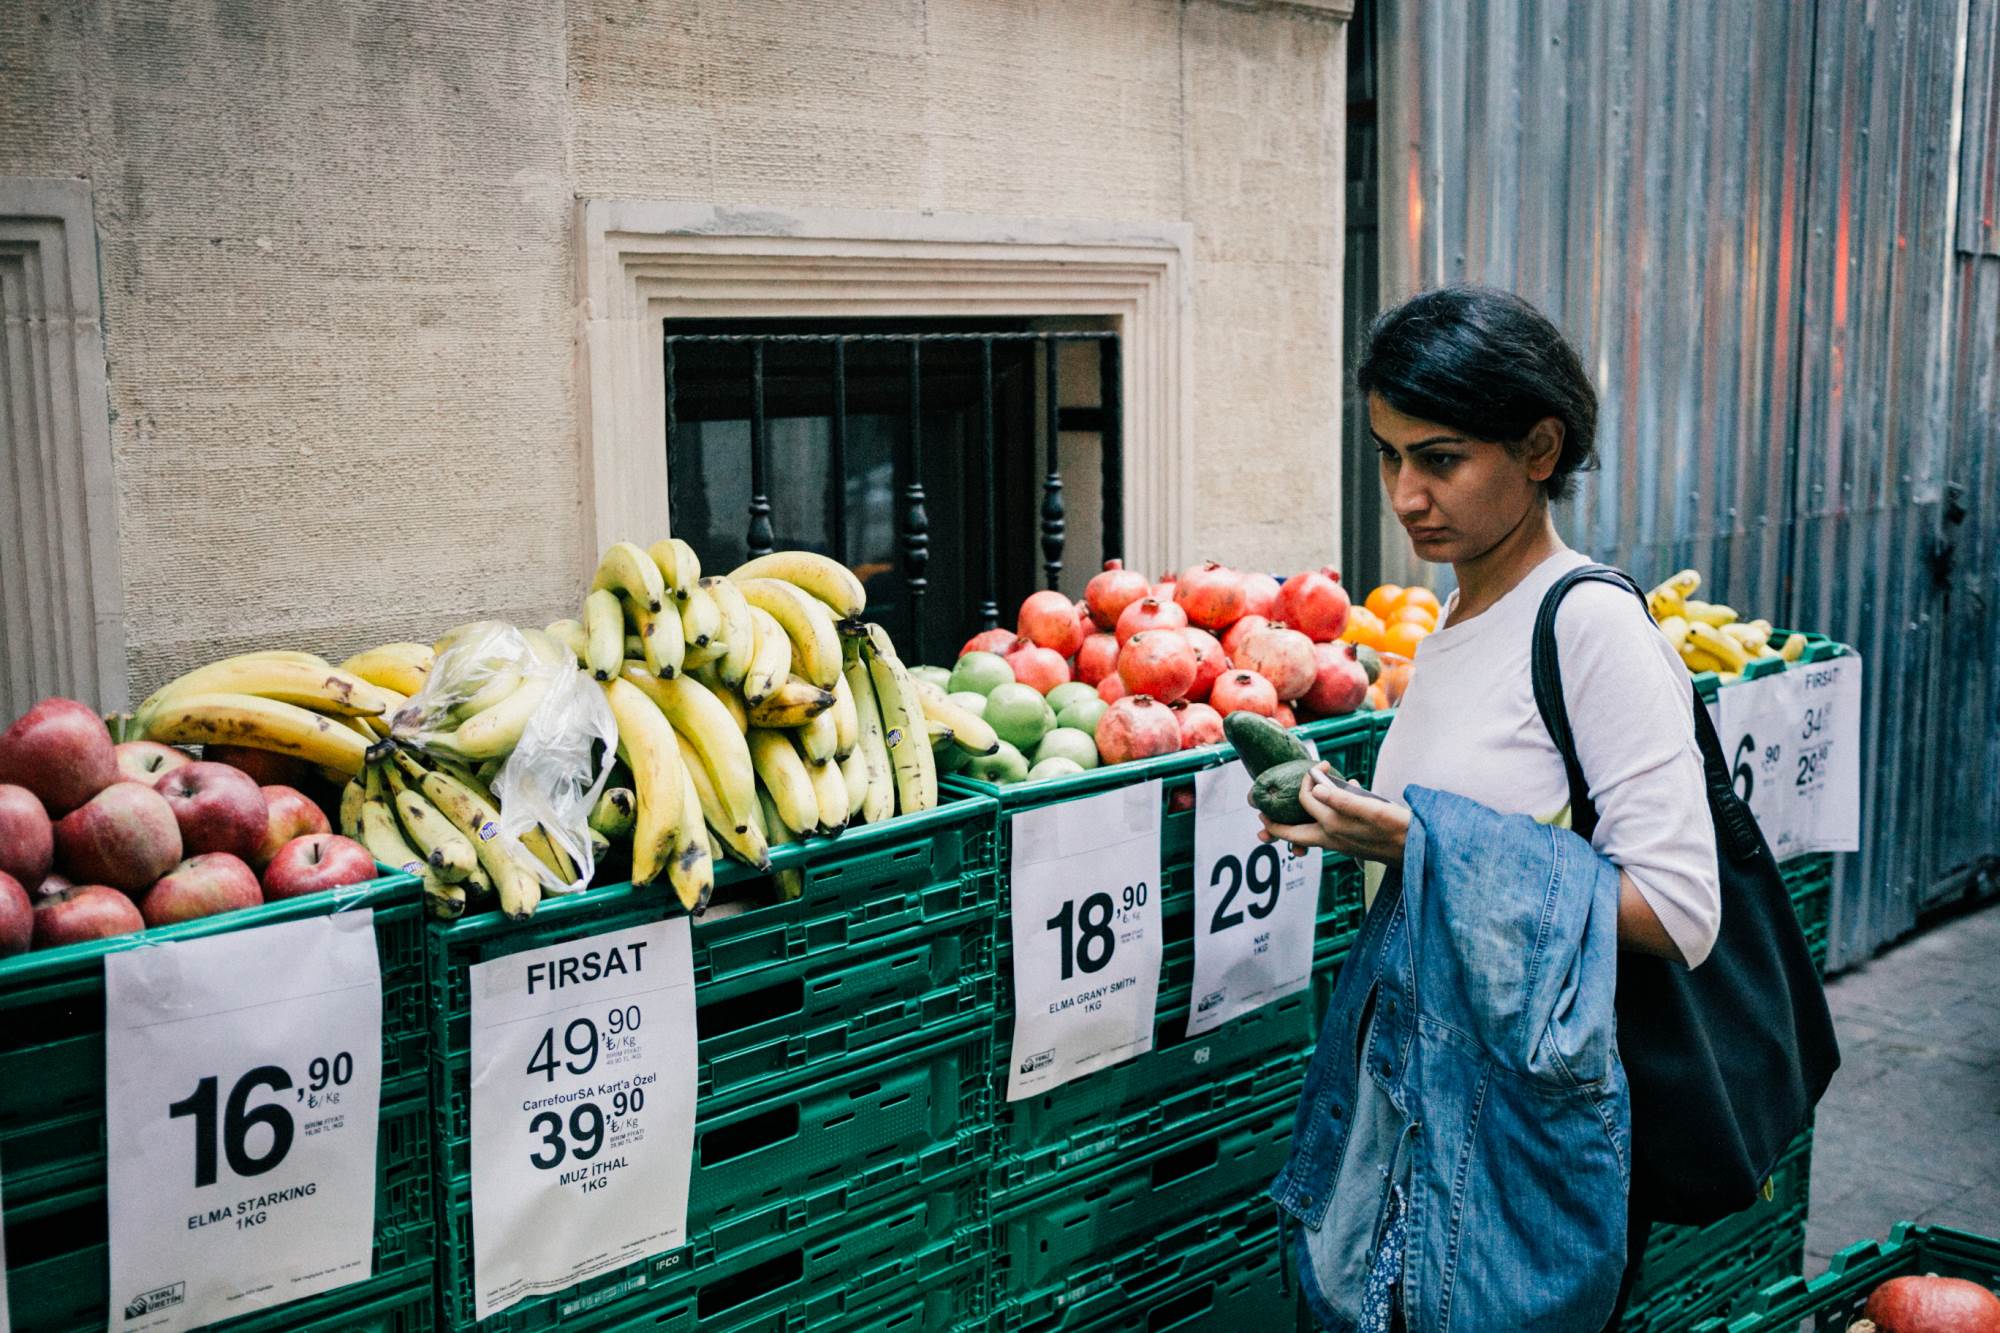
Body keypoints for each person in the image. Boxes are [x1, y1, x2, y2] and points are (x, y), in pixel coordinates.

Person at [1261, 285, 1722, 1329]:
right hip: (1431, 1099)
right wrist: (1350, 826)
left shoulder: (1590, 628)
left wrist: (1420, 841)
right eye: (1387, 455)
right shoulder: (1461, 611)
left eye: (1439, 456)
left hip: (1513, 1132)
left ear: (1539, 447)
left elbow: (1681, 912)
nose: (1405, 493)